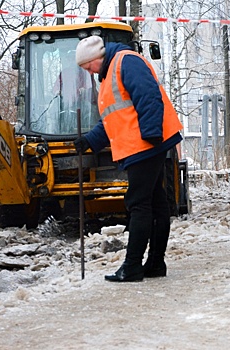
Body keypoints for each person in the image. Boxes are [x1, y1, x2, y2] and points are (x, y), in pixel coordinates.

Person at [73, 35, 183, 282]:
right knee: (154, 203)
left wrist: (152, 132)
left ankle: (133, 266)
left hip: (145, 144)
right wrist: (90, 141)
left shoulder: (126, 61)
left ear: (96, 58)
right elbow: (113, 118)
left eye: (87, 66)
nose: (88, 72)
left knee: (138, 203)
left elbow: (148, 96)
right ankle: (155, 263)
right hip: (141, 145)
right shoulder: (109, 75)